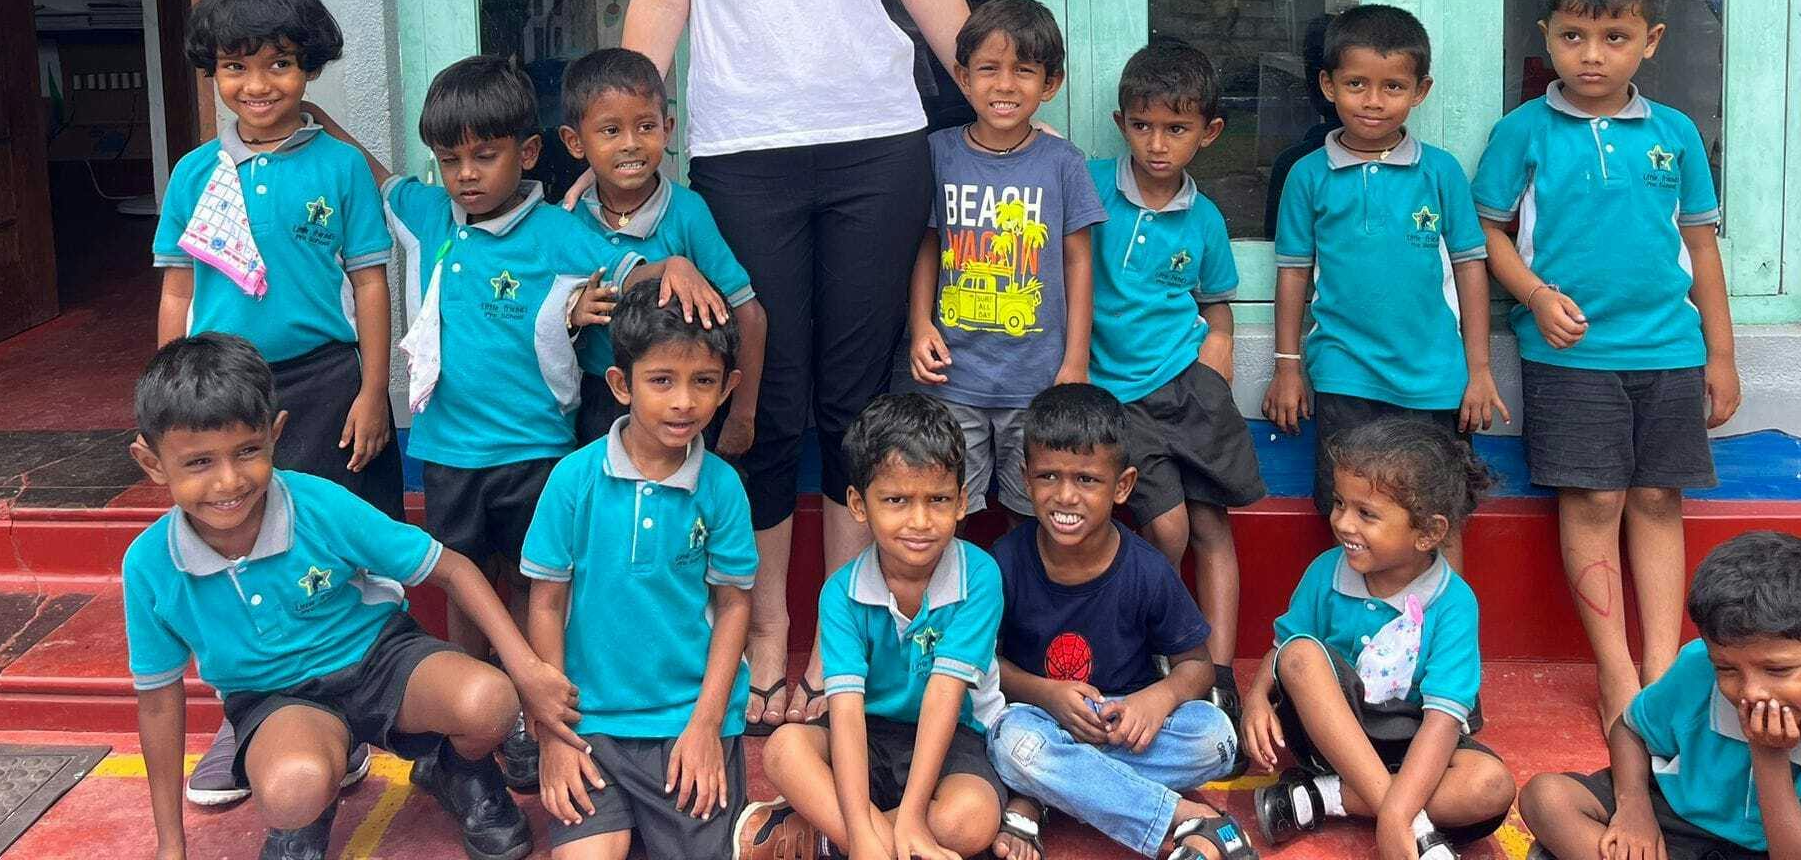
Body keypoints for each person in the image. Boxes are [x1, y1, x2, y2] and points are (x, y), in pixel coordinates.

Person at [610, 0, 976, 728]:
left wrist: (1001, 99)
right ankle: (765, 631)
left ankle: (841, 634)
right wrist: (627, 134)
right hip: (741, 149)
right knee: (752, 396)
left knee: (855, 403)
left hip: (875, 140)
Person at [314, 55, 726, 790]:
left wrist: (678, 270)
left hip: (538, 449)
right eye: (450, 159)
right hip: (445, 449)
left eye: (485, 154)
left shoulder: (560, 233)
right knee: (467, 582)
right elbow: (377, 178)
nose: (465, 174)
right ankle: (478, 710)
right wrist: (320, 123)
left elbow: (630, 271)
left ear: (529, 153)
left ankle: (545, 719)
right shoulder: (431, 215)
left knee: (539, 581)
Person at [122, 334, 583, 860]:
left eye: (247, 451)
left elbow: (453, 569)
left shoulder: (318, 504)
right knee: (293, 787)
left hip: (380, 659)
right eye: (199, 463)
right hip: (277, 700)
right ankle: (305, 819)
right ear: (152, 462)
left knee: (491, 701)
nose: (229, 481)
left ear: (275, 436)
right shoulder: (149, 564)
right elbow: (159, 702)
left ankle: (459, 771)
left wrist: (526, 670)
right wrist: (170, 845)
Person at [1472, 0, 1740, 730]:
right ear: (1548, 34)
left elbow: (1700, 246)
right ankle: (1616, 672)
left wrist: (1721, 355)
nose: (1592, 56)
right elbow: (1484, 232)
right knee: (1593, 497)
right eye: (1574, 37)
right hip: (1572, 352)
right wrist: (1532, 293)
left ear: (1650, 41)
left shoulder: (1677, 134)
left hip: (1670, 351)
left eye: (1615, 37)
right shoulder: (1525, 131)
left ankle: (1661, 666)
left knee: (1658, 496)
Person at [152, 0, 401, 806]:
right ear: (212, 72)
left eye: (280, 64)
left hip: (329, 381)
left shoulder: (338, 168)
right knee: (234, 549)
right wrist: (167, 406)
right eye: (235, 67)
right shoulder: (194, 174)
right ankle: (247, 718)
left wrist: (374, 391)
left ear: (310, 67)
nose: (258, 87)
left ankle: (358, 715)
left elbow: (369, 282)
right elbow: (179, 291)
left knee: (327, 546)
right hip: (226, 393)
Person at [522, 280, 760, 860]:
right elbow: (547, 604)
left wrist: (706, 726)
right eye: (662, 381)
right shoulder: (573, 481)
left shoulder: (722, 488)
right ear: (621, 385)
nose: (683, 402)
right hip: (592, 726)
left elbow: (733, 606)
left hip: (689, 723)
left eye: (703, 382)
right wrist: (555, 737)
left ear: (728, 386)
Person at [1263, 5, 1501, 564]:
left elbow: (1471, 267)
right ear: (1327, 85)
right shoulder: (1308, 174)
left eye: (1392, 86)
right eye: (1356, 84)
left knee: (1440, 514)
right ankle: (1359, 637)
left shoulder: (1439, 172)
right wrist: (1286, 365)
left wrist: (1480, 371)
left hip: (1436, 380)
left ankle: (1442, 642)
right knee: (1351, 510)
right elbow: (1293, 273)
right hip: (1346, 375)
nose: (1373, 100)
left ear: (1421, 91)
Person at [986, 384, 1254, 860]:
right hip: (1042, 718)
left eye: (1087, 480)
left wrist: (1157, 699)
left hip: (1129, 728)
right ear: (1026, 479)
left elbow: (1196, 667)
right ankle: (1177, 816)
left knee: (1216, 738)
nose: (1065, 496)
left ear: (1123, 485)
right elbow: (985, 666)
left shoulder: (1146, 570)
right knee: (1011, 741)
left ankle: (1047, 792)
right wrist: (1045, 692)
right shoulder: (1004, 563)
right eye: (1048, 476)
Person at [740, 394, 1009, 860]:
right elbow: (845, 712)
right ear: (859, 505)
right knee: (783, 748)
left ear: (962, 502)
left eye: (938, 499)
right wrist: (866, 842)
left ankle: (816, 836)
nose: (920, 521)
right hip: (867, 730)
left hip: (952, 737)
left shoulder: (979, 577)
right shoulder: (841, 592)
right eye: (896, 500)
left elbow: (944, 700)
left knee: (971, 819)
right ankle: (868, 841)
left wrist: (909, 818)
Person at [1521, 531, 1801, 860]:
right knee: (1547, 797)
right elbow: (1629, 728)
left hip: (1774, 847)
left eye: (1778, 670)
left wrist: (1768, 755)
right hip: (1674, 816)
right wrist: (1634, 808)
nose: (1750, 691)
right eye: (1727, 669)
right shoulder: (1696, 665)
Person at [1239, 419, 1515, 860]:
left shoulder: (1455, 603)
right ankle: (1418, 828)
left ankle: (1323, 798)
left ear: (1428, 532)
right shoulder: (1325, 572)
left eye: (1366, 514)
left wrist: (1395, 815)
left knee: (1491, 785)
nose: (1343, 523)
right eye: (1339, 504)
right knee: (1301, 655)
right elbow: (1284, 651)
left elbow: (1442, 722)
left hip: (1413, 747)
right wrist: (1255, 697)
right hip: (1329, 741)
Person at [1085, 41, 1265, 707]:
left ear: (1209, 133)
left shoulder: (1207, 219)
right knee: (1168, 528)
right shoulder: (1093, 184)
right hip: (1118, 395)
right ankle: (1151, 651)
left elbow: (1215, 302)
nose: (1157, 144)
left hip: (1190, 388)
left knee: (1214, 528)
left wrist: (1219, 341)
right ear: (1120, 122)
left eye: (1177, 129)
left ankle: (1216, 678)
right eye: (1143, 125)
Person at [908, 0, 1103, 522]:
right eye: (989, 69)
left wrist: (1076, 360)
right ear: (962, 76)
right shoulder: (937, 152)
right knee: (951, 510)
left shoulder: (1063, 163)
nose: (1004, 85)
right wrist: (919, 323)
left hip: (1037, 379)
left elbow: (1079, 262)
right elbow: (927, 243)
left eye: (1024, 70)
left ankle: (1026, 607)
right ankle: (960, 607)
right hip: (954, 375)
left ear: (1050, 83)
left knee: (1032, 510)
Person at [556, 48, 766, 453]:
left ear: (668, 129)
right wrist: (572, 314)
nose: (631, 144)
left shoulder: (687, 212)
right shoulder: (564, 223)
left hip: (685, 405)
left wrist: (742, 414)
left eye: (646, 126)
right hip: (598, 400)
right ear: (574, 142)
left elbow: (749, 314)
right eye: (611, 131)